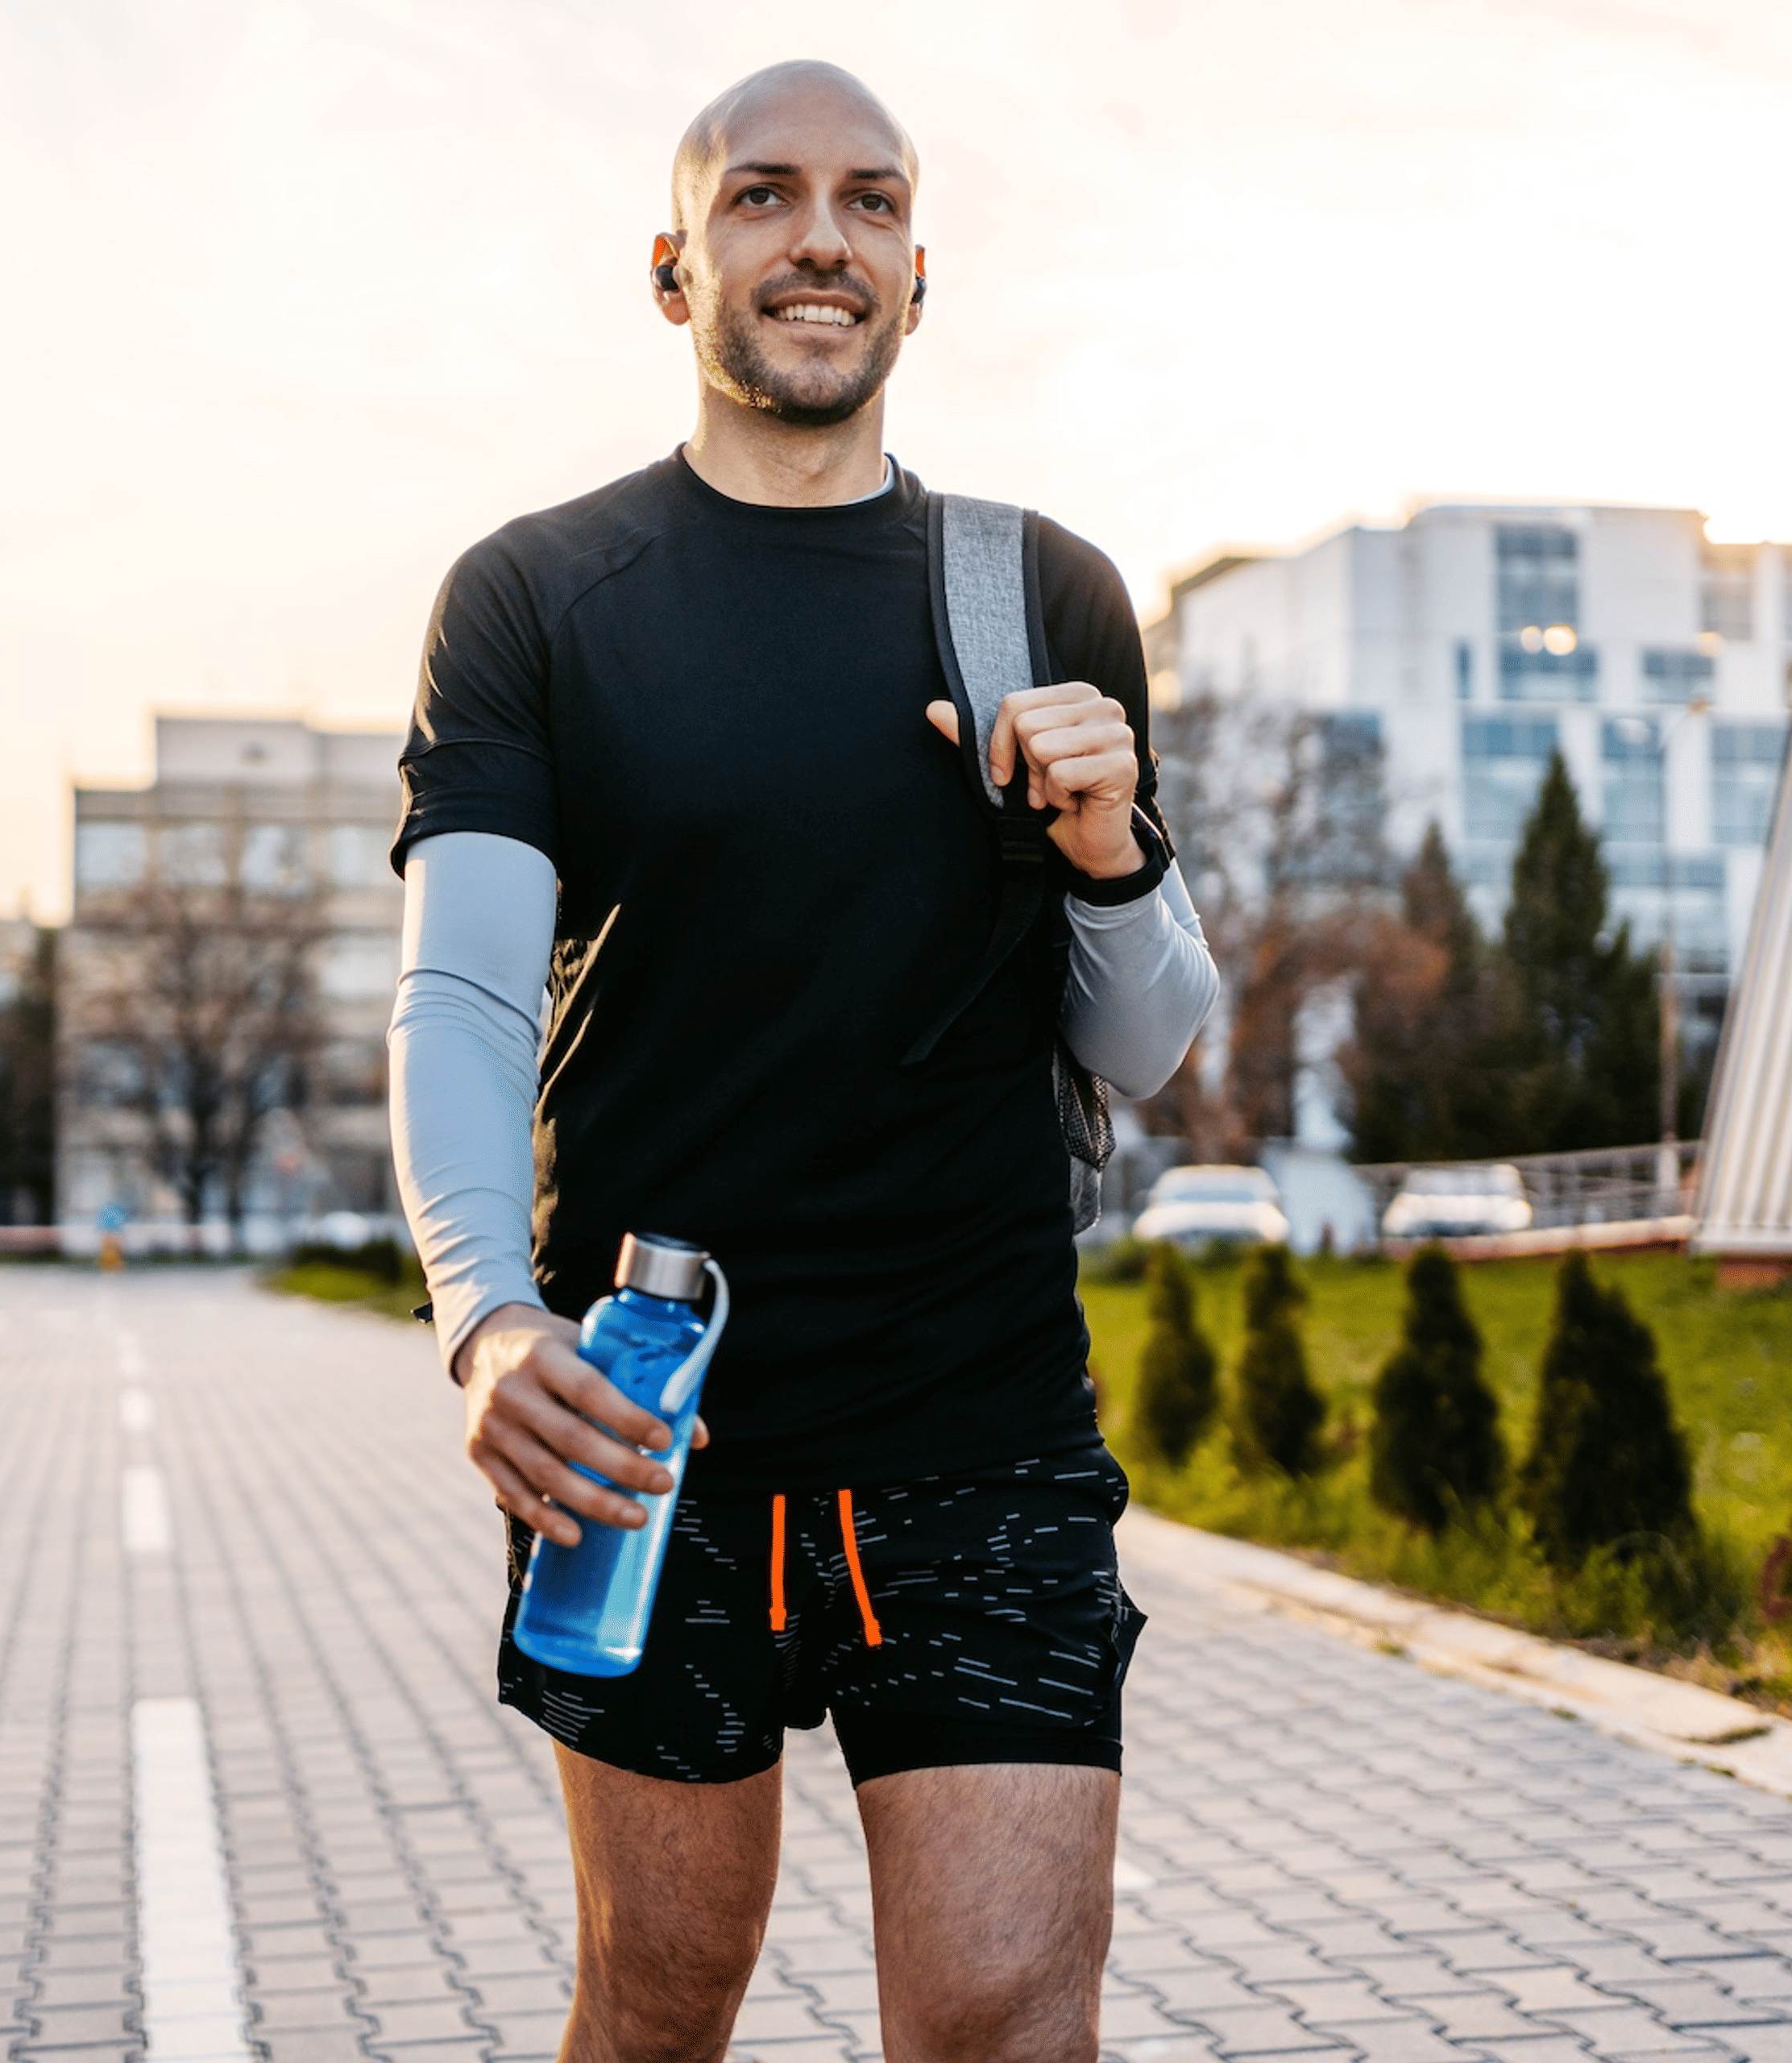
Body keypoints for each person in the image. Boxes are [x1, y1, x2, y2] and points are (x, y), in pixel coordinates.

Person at [387, 58, 1220, 2063]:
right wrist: (492, 1322)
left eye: (868, 202)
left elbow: (1149, 1042)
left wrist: (1112, 854)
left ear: (918, 279)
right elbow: (468, 1001)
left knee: (1008, 2017)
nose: (820, 236)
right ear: (676, 270)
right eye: (762, 197)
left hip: (982, 1430)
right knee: (661, 2006)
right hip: (650, 1436)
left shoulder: (1039, 593)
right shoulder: (535, 599)